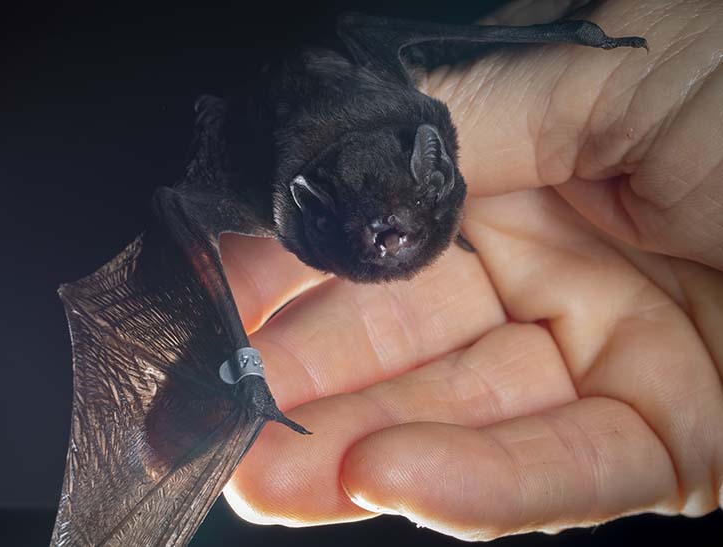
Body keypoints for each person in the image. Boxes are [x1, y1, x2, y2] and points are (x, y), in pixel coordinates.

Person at [218, 0, 723, 538]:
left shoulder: (392, 149)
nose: (386, 237)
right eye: (370, 230)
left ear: (433, 175)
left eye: (389, 226)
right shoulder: (288, 202)